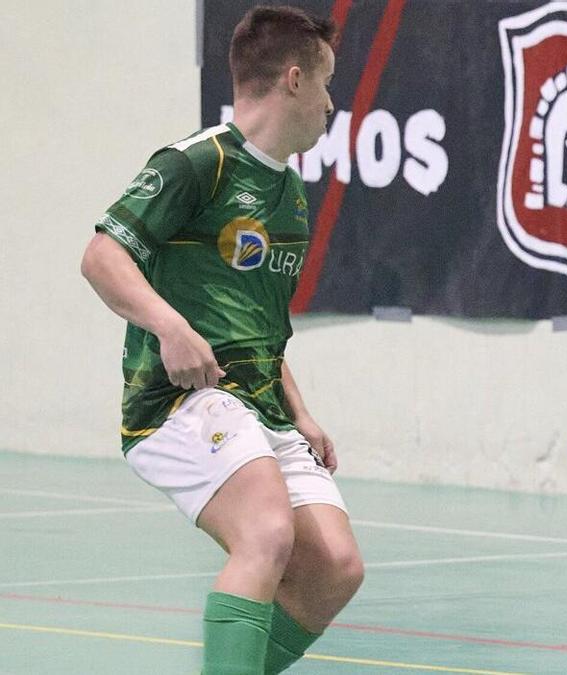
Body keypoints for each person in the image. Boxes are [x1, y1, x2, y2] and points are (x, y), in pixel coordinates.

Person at [80, 6, 363, 673]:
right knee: (266, 532)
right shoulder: (195, 163)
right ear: (294, 80)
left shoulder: (289, 192)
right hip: (181, 398)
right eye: (325, 85)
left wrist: (299, 409)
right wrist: (170, 326)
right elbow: (100, 256)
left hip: (260, 402)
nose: (329, 104)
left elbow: (260, 323)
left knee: (335, 567)